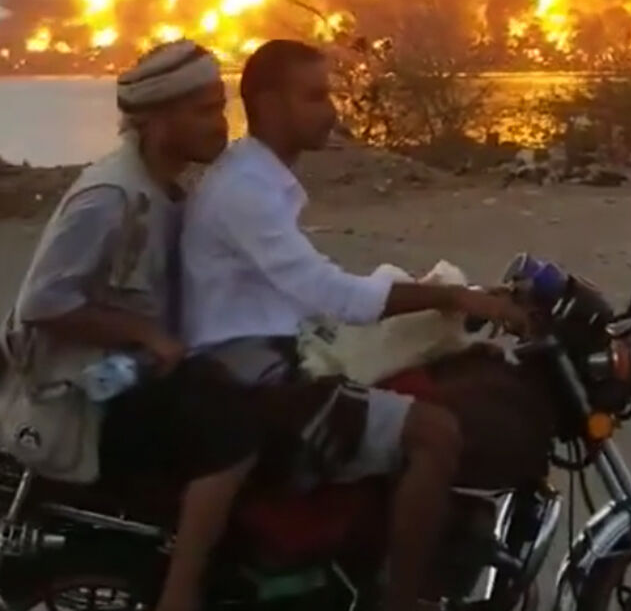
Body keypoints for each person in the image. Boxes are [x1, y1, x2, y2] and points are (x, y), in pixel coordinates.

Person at [181, 39, 527, 611]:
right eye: (314, 97)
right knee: (435, 434)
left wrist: (446, 304)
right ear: (268, 104)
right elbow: (335, 293)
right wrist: (451, 295)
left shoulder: (258, 180)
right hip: (254, 382)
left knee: (431, 376)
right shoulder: (245, 192)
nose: (332, 109)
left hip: (275, 355)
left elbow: (317, 291)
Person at [0, 41, 260, 611]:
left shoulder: (166, 190)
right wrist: (144, 336)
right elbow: (42, 302)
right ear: (157, 120)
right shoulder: (110, 196)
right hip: (88, 395)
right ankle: (181, 592)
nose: (220, 124)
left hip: (136, 375)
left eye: (220, 107)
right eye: (204, 110)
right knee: (238, 435)